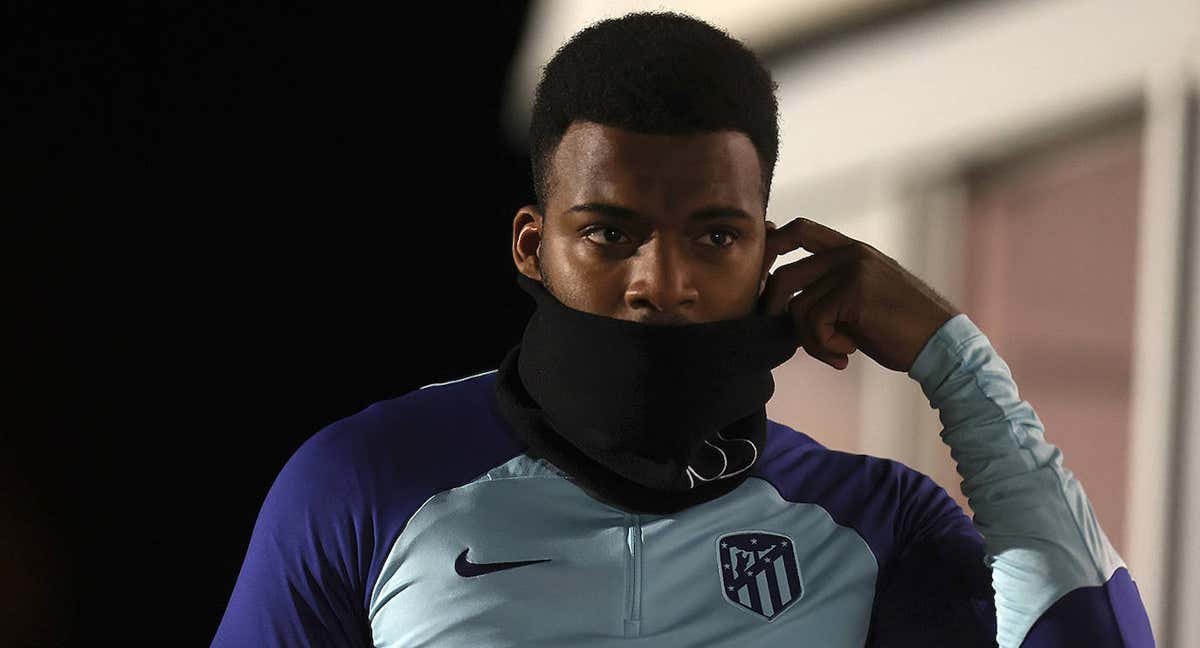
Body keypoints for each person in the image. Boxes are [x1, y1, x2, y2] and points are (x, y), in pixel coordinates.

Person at [211, 10, 1155, 647]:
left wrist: (953, 355)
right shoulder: (364, 485)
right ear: (533, 248)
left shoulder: (875, 527)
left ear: (769, 255)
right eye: (610, 233)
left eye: (713, 235)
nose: (661, 284)